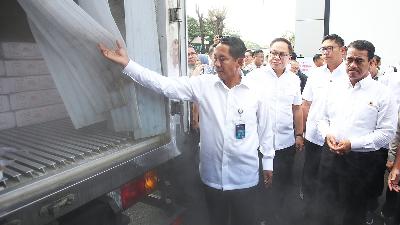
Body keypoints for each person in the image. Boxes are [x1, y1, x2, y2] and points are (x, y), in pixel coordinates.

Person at [98, 36, 275, 225]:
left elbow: (266, 129)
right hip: (212, 178)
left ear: (239, 62)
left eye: (222, 59)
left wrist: (268, 163)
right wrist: (127, 64)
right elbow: (164, 85)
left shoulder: (256, 91)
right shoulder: (203, 85)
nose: (216, 63)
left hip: (244, 178)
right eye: (214, 58)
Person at [313, 40, 397, 225]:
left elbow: (386, 132)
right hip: (330, 156)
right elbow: (321, 119)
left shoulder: (383, 93)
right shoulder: (333, 87)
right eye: (349, 59)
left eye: (359, 61)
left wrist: (353, 144)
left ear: (371, 62)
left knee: (353, 213)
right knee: (323, 209)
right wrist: (327, 133)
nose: (352, 65)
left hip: (362, 163)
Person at [248, 37, 303, 224]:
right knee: (259, 184)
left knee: (282, 183)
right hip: (258, 144)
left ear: (289, 57)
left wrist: (299, 135)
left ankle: (276, 216)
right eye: (273, 53)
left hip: (285, 143)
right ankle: (259, 217)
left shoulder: (294, 80)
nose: (276, 57)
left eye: (281, 54)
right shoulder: (254, 77)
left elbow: (296, 109)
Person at [300, 34, 347, 220]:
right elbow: (306, 104)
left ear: (342, 50)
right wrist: (301, 132)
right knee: (309, 175)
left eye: (330, 48)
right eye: (323, 49)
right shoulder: (315, 74)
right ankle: (309, 212)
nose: (325, 52)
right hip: (312, 135)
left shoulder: (349, 75)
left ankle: (328, 215)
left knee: (331, 180)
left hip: (336, 138)